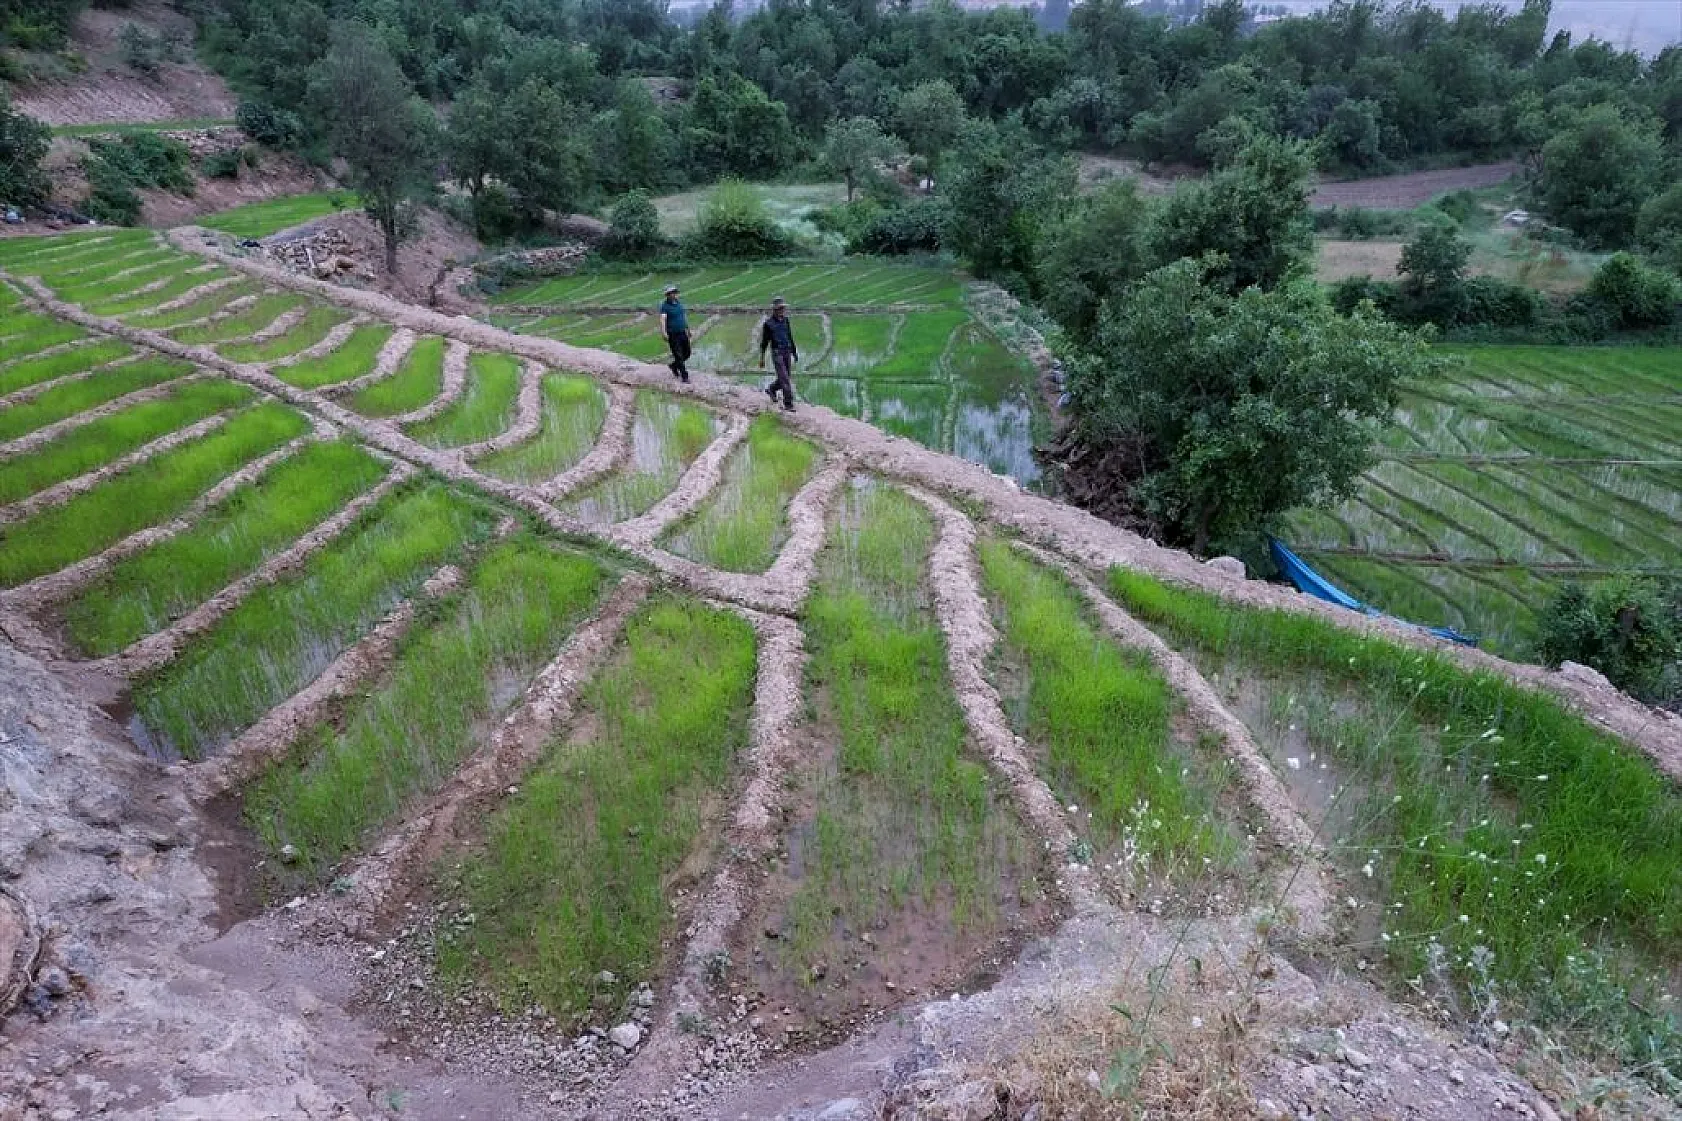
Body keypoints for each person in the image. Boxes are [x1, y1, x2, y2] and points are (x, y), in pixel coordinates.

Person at [758, 296, 798, 411]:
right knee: (785, 379)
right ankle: (788, 404)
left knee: (785, 377)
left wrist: (794, 352)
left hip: (787, 351)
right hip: (777, 353)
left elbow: (789, 336)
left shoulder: (786, 320)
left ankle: (771, 389)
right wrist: (762, 358)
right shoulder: (768, 324)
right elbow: (764, 342)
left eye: (783, 308)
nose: (782, 310)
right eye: (780, 308)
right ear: (775, 310)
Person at [659, 284, 690, 383]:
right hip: (673, 334)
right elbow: (663, 319)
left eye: (676, 292)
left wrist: (688, 329)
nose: (675, 294)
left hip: (682, 332)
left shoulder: (679, 303)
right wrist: (664, 332)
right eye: (673, 293)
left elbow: (683, 316)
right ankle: (685, 377)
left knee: (687, 353)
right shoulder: (665, 306)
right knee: (678, 355)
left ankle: (673, 366)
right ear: (668, 295)